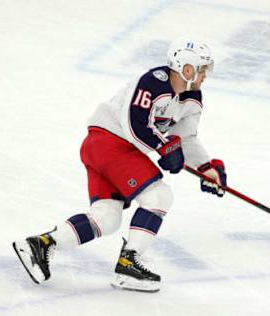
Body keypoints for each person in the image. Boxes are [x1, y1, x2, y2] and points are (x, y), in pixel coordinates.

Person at [12, 38, 227, 293]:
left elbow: (186, 138)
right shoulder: (153, 82)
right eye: (201, 69)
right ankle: (129, 263)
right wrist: (165, 146)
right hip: (110, 144)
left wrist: (206, 168)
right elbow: (135, 125)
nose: (205, 75)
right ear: (186, 68)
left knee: (107, 218)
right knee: (159, 195)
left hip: (108, 150)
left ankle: (42, 244)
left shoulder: (193, 98)